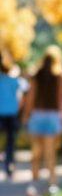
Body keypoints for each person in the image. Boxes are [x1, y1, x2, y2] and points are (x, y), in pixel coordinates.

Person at [21, 45, 62, 196]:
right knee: (50, 153)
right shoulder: (59, 77)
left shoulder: (36, 76)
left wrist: (26, 115)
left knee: (36, 153)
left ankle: (33, 184)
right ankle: (52, 184)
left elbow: (30, 98)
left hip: (37, 116)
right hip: (52, 117)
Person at [0, 51, 28, 179]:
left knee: (10, 141)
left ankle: (8, 164)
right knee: (10, 142)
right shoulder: (13, 80)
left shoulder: (12, 80)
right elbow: (22, 97)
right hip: (11, 113)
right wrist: (18, 108)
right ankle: (9, 165)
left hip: (4, 114)